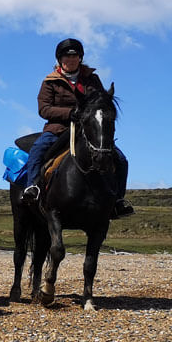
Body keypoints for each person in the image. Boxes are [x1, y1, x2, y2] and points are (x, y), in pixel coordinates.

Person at [17, 38, 134, 218]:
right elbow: (44, 109)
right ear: (59, 60)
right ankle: (32, 187)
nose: (70, 59)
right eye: (66, 56)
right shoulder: (50, 82)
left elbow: (101, 102)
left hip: (88, 129)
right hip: (58, 128)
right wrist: (69, 113)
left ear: (80, 58)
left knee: (121, 159)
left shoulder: (92, 79)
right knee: (38, 150)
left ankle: (118, 200)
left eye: (74, 56)